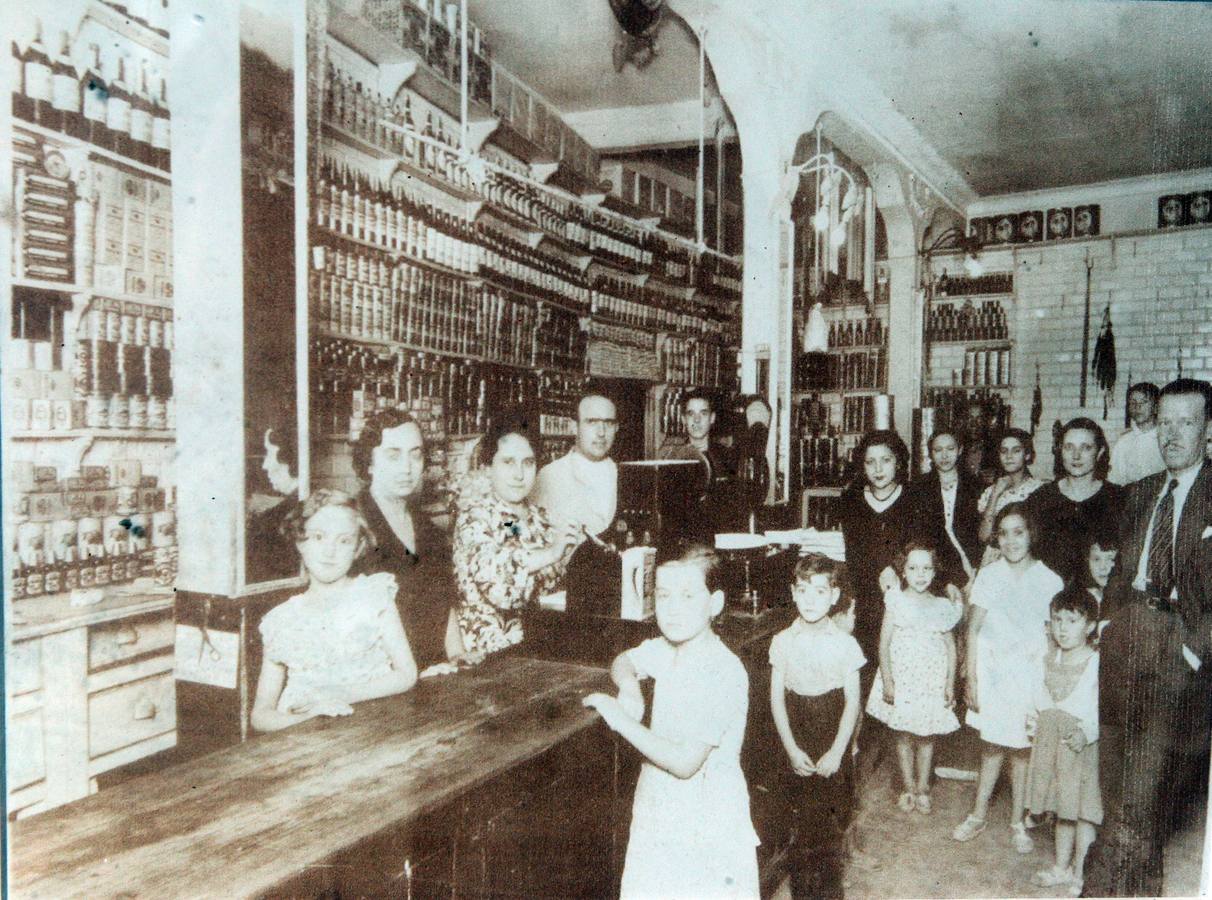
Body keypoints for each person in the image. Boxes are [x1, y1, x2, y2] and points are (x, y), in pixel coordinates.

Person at [1083, 378, 1212, 897]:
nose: (1173, 434)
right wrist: (1109, 622)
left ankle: (1100, 890)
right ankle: (1146, 886)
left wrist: (1192, 649)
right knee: (1116, 778)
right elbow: (1119, 571)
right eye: (1165, 422)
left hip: (1177, 644)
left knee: (1143, 785)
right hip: (1126, 637)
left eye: (1186, 422)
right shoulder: (1139, 492)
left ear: (1208, 429)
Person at [583, 545, 759, 899]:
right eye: (663, 596)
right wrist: (630, 688)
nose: (673, 608)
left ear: (716, 603)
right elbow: (624, 660)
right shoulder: (667, 648)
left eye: (688, 595)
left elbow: (684, 763)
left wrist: (619, 718)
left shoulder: (723, 671)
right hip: (658, 808)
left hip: (705, 822)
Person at [251, 490, 418, 732]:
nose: (330, 551)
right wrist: (306, 720)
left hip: (372, 730)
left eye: (344, 541)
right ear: (301, 541)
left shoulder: (373, 595)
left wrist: (339, 694)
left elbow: (406, 674)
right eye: (319, 537)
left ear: (358, 547)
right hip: (302, 740)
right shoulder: (281, 619)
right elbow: (260, 715)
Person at [953, 503, 1064, 852]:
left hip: (1029, 675)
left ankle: (1018, 821)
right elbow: (972, 630)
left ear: (1032, 533)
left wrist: (1048, 684)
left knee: (1022, 750)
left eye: (1019, 532)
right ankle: (977, 813)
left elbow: (1052, 638)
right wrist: (971, 677)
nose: (1012, 541)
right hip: (993, 673)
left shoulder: (1049, 580)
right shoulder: (989, 575)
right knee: (991, 746)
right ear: (996, 538)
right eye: (1003, 533)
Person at [769, 554, 865, 899]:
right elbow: (777, 700)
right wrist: (792, 750)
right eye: (804, 590)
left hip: (831, 735)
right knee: (798, 829)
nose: (811, 600)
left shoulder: (845, 643)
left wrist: (838, 751)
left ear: (835, 596)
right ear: (793, 593)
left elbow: (852, 702)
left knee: (827, 828)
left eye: (820, 591)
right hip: (796, 735)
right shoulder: (782, 641)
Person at [452, 410, 581, 655]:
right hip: (492, 658)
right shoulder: (475, 517)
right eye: (508, 462)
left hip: (539, 648)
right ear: (487, 468)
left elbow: (523, 550)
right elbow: (500, 586)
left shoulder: (535, 518)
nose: (519, 474)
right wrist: (553, 553)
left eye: (528, 463)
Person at [351, 408, 462, 670]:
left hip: (435, 672)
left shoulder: (430, 531)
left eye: (416, 454)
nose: (407, 468)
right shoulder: (354, 526)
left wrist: (457, 656)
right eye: (393, 455)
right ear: (369, 462)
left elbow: (445, 605)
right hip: (382, 678)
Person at [865, 542, 961, 814]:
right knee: (903, 735)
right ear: (903, 571)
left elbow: (951, 649)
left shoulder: (943, 605)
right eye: (913, 568)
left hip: (931, 680)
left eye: (927, 568)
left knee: (927, 736)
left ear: (935, 571)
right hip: (903, 678)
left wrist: (949, 683)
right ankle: (907, 787)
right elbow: (884, 644)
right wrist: (888, 680)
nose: (920, 574)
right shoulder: (895, 600)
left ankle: (922, 788)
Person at [1025, 588, 1101, 894]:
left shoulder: (1096, 663)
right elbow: (1037, 701)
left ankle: (1080, 873)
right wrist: (1034, 725)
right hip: (1051, 744)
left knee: (1082, 812)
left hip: (1079, 748)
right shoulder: (1046, 658)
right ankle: (1060, 866)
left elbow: (1100, 707)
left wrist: (1087, 731)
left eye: (1072, 621)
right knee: (1061, 810)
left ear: (1090, 626)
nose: (1062, 628)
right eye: (1057, 620)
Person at [837, 430, 917, 692]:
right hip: (867, 598)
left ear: (899, 462)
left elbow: (925, 547)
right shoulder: (851, 501)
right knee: (865, 676)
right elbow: (854, 553)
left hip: (906, 595)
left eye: (886, 460)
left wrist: (896, 570)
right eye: (870, 462)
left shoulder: (915, 499)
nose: (878, 469)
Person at [1024, 417, 1123, 583]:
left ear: (1099, 453)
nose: (1076, 456)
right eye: (1069, 447)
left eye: (1086, 448)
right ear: (1060, 451)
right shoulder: (1040, 499)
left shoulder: (1118, 498)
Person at [531, 392, 619, 552]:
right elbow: (520, 528)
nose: (601, 432)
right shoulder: (550, 476)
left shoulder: (628, 476)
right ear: (574, 427)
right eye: (592, 422)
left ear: (617, 427)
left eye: (609, 423)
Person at [659, 388, 743, 537]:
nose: (696, 420)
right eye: (691, 414)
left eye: (703, 413)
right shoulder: (671, 459)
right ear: (684, 419)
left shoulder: (728, 458)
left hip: (720, 538)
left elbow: (734, 510)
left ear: (712, 418)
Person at [910, 428, 983, 584]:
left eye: (950, 449)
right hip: (936, 563)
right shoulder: (918, 487)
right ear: (930, 453)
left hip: (972, 562)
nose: (944, 456)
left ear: (960, 450)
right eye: (938, 450)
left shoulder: (975, 486)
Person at [976, 427, 1044, 559]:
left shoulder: (1039, 489)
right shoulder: (990, 492)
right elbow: (984, 537)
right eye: (1004, 451)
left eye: (1016, 451)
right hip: (994, 560)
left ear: (1027, 454)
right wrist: (995, 494)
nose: (1009, 456)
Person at [1108, 382, 1165, 486]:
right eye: (1133, 403)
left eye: (1144, 402)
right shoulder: (1124, 441)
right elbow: (1114, 479)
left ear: (1156, 407)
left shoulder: (1165, 438)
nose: (1137, 407)